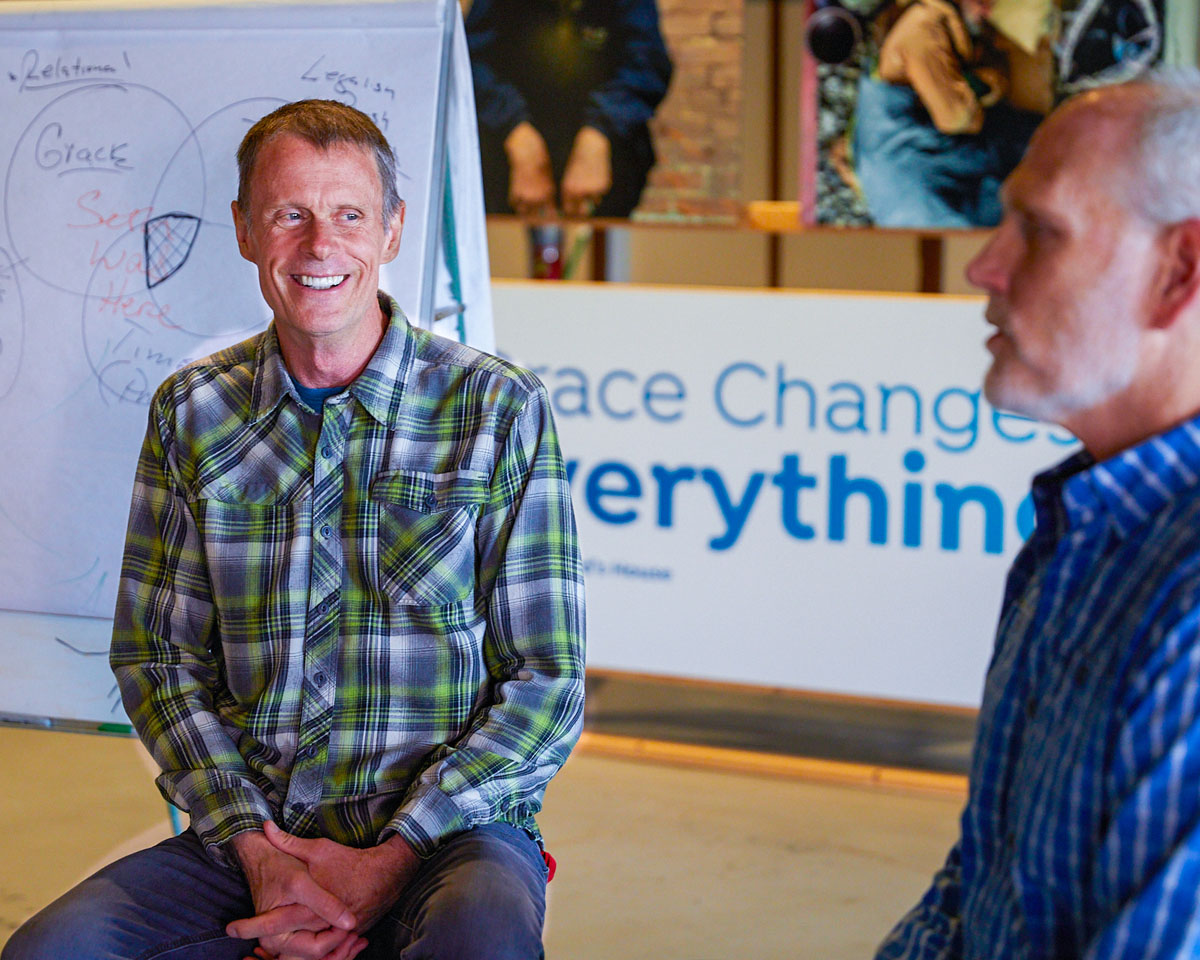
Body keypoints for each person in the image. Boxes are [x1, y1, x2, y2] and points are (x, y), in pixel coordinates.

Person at [2, 99, 585, 960]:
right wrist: (258, 852)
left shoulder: (497, 408)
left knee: (481, 941)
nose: (320, 245)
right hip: (257, 836)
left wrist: (392, 857)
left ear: (392, 229)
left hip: (451, 837)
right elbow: (158, 659)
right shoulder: (194, 412)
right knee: (53, 952)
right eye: (289, 215)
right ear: (246, 230)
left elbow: (547, 678)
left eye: (349, 215)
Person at [877, 71, 1200, 958]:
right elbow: (987, 876)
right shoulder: (1091, 527)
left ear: (1178, 272)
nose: (984, 265)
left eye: (1042, 230)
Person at [466, 0, 672, 218]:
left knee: (597, 235)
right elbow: (472, 61)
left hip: (611, 156)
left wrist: (599, 134)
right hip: (504, 156)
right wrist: (517, 135)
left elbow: (648, 62)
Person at [853, 0, 1042, 227]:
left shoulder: (936, 22)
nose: (987, 9)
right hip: (916, 181)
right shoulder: (922, 27)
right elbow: (957, 118)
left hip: (907, 178)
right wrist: (986, 84)